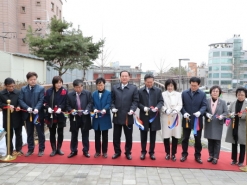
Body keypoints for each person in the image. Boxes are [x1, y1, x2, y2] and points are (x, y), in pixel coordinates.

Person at [111, 70, 139, 160]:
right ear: (120, 77)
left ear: (129, 77)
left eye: (126, 76)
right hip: (117, 115)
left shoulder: (133, 88)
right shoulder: (115, 87)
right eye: (122, 76)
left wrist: (132, 109)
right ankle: (117, 152)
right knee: (116, 136)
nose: (124, 78)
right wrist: (112, 108)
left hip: (128, 116)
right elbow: (111, 100)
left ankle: (128, 152)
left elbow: (135, 101)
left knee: (128, 137)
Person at [180, 77, 207, 164]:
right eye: (192, 85)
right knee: (185, 138)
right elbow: (181, 105)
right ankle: (184, 154)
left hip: (197, 120)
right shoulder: (184, 93)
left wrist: (200, 112)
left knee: (198, 139)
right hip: (187, 119)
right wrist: (183, 113)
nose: (193, 87)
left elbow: (204, 105)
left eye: (195, 86)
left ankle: (198, 155)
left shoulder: (202, 94)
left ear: (199, 85)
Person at [19, 72, 45, 157]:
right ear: (27, 80)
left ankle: (41, 149)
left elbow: (41, 100)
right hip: (28, 114)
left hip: (37, 114)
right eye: (31, 80)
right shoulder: (23, 89)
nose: (33, 81)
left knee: (40, 132)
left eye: (34, 79)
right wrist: (27, 108)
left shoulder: (40, 88)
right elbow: (20, 100)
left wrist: (37, 108)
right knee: (29, 132)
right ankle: (30, 149)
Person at [138, 74, 164, 160]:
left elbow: (161, 101)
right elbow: (137, 102)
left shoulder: (158, 90)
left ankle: (152, 152)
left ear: (153, 81)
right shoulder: (140, 91)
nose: (149, 84)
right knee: (143, 135)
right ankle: (143, 152)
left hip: (154, 116)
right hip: (144, 115)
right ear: (144, 81)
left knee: (153, 135)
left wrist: (157, 107)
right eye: (148, 82)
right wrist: (143, 107)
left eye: (151, 82)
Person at [66, 79, 92, 158]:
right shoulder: (70, 95)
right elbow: (67, 105)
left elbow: (90, 103)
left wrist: (87, 109)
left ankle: (86, 150)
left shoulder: (87, 94)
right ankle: (73, 150)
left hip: (85, 117)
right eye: (77, 87)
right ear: (74, 87)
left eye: (80, 87)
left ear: (82, 86)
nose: (79, 89)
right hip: (74, 118)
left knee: (85, 135)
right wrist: (71, 110)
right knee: (74, 135)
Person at [44, 76, 67, 157]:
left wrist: (61, 108)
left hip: (60, 114)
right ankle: (53, 149)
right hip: (51, 114)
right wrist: (48, 108)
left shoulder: (64, 91)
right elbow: (45, 102)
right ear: (54, 83)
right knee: (52, 132)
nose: (59, 84)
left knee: (60, 132)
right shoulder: (49, 91)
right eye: (57, 83)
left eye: (60, 83)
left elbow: (66, 102)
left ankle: (59, 148)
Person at [204, 85, 228, 164]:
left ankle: (215, 157)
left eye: (217, 91)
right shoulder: (206, 101)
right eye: (213, 91)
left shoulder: (223, 102)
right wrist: (206, 114)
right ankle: (210, 155)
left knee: (217, 141)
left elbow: (226, 113)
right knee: (210, 140)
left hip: (218, 123)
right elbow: (203, 110)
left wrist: (222, 116)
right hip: (209, 123)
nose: (215, 93)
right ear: (210, 93)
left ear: (219, 93)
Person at [0, 78, 24, 156]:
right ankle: (9, 150)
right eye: (9, 86)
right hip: (7, 116)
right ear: (5, 86)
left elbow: (21, 101)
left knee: (18, 134)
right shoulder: (1, 93)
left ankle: (18, 149)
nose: (11, 88)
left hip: (17, 115)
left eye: (13, 86)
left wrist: (19, 106)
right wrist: (7, 106)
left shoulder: (18, 92)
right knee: (9, 134)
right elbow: (0, 104)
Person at [160, 79, 182, 161]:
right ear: (166, 86)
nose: (170, 87)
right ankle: (167, 153)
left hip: (175, 117)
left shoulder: (178, 94)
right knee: (166, 136)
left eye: (171, 86)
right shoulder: (162, 94)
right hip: (166, 116)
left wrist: (176, 110)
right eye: (168, 86)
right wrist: (165, 110)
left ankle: (173, 154)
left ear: (174, 86)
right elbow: (161, 104)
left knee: (175, 136)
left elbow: (180, 104)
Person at [225, 87, 247, 167]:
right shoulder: (233, 103)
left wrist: (242, 116)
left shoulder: (246, 104)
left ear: (245, 95)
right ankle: (234, 159)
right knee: (234, 143)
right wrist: (230, 114)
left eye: (242, 95)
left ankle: (241, 161)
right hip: (234, 125)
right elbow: (228, 112)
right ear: (236, 95)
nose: (240, 96)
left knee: (242, 144)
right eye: (239, 94)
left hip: (243, 127)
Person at [92, 77, 112, 158]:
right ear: (96, 85)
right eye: (98, 85)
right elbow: (92, 103)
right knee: (97, 135)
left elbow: (109, 103)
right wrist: (94, 109)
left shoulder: (108, 93)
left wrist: (105, 109)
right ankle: (97, 151)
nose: (100, 87)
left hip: (105, 116)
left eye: (101, 85)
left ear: (104, 85)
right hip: (96, 117)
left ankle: (104, 151)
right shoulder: (94, 94)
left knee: (105, 136)